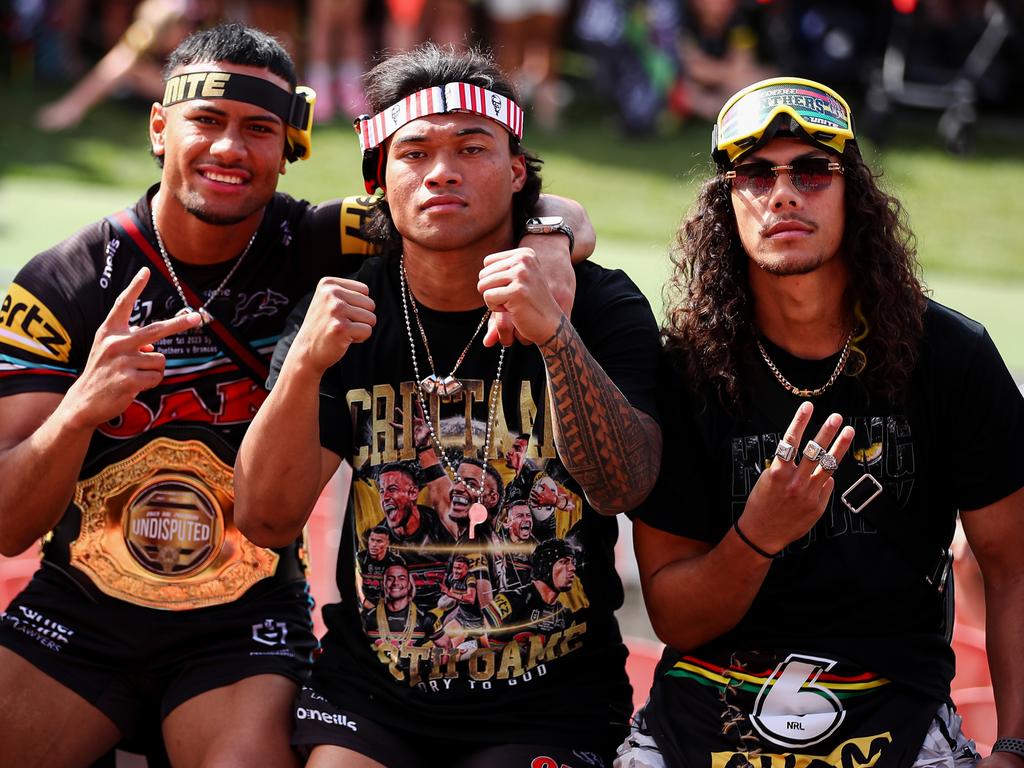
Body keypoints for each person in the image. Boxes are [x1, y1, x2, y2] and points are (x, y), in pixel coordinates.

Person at [0, 22, 596, 767]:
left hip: (240, 626)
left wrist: (547, 236)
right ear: (160, 127)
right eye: (207, 122)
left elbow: (494, 197)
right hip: (79, 613)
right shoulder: (64, 282)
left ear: (291, 146)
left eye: (259, 129)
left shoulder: (322, 241)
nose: (229, 149)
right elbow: (5, 527)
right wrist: (81, 407)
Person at [235, 43, 663, 767]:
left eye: (473, 147)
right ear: (380, 178)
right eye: (414, 153)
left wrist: (556, 340)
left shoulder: (599, 304)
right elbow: (264, 519)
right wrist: (304, 368)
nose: (442, 171)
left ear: (518, 171)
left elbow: (627, 485)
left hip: (550, 706)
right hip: (370, 698)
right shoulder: (346, 310)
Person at [618, 77, 1024, 768]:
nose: (783, 194)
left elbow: (1013, 570)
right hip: (707, 709)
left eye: (812, 171)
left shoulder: (951, 357)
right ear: (727, 206)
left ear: (854, 197)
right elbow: (675, 617)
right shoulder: (686, 372)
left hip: (895, 704)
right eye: (754, 174)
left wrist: (1014, 747)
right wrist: (758, 535)